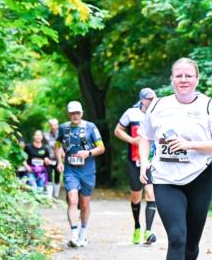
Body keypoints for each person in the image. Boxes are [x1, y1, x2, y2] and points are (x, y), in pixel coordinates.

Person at [139, 58, 212, 260]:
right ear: (171, 79)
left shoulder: (210, 106)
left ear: (197, 79)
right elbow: (144, 136)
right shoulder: (158, 105)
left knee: (191, 243)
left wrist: (189, 145)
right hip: (166, 178)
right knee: (177, 237)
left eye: (188, 75)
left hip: (199, 177)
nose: (183, 80)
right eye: (178, 75)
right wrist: (145, 162)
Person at [55, 101, 105, 247]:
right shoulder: (63, 128)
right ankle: (74, 234)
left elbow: (101, 148)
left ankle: (83, 232)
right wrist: (59, 161)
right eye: (72, 113)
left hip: (88, 170)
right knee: (72, 199)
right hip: (71, 170)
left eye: (77, 113)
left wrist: (88, 152)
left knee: (84, 203)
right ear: (68, 114)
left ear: (81, 113)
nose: (75, 115)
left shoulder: (90, 127)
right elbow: (58, 146)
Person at [114, 87, 158, 245]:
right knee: (136, 196)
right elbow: (118, 130)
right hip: (134, 160)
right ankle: (137, 227)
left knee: (150, 194)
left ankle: (148, 231)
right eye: (149, 99)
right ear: (142, 100)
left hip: (152, 161)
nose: (152, 101)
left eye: (154, 98)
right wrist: (132, 140)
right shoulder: (131, 113)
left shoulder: (159, 113)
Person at [43, 118, 62, 198]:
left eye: (55, 125)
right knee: (49, 177)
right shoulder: (45, 135)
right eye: (51, 125)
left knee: (57, 176)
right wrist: (44, 157)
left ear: (57, 126)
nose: (53, 127)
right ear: (49, 126)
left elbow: (64, 146)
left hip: (58, 159)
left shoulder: (61, 135)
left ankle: (56, 195)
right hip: (49, 159)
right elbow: (42, 147)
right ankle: (49, 197)